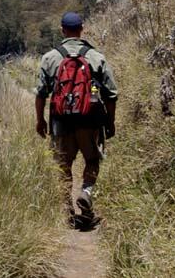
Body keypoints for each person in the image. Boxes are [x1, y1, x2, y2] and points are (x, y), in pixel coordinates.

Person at [35, 12, 117, 228]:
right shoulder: (96, 57)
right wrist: (110, 122)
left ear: (62, 30)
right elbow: (111, 94)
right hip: (89, 119)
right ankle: (86, 192)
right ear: (82, 29)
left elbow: (41, 93)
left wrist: (40, 121)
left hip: (60, 121)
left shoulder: (50, 57)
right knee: (92, 160)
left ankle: (68, 210)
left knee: (64, 164)